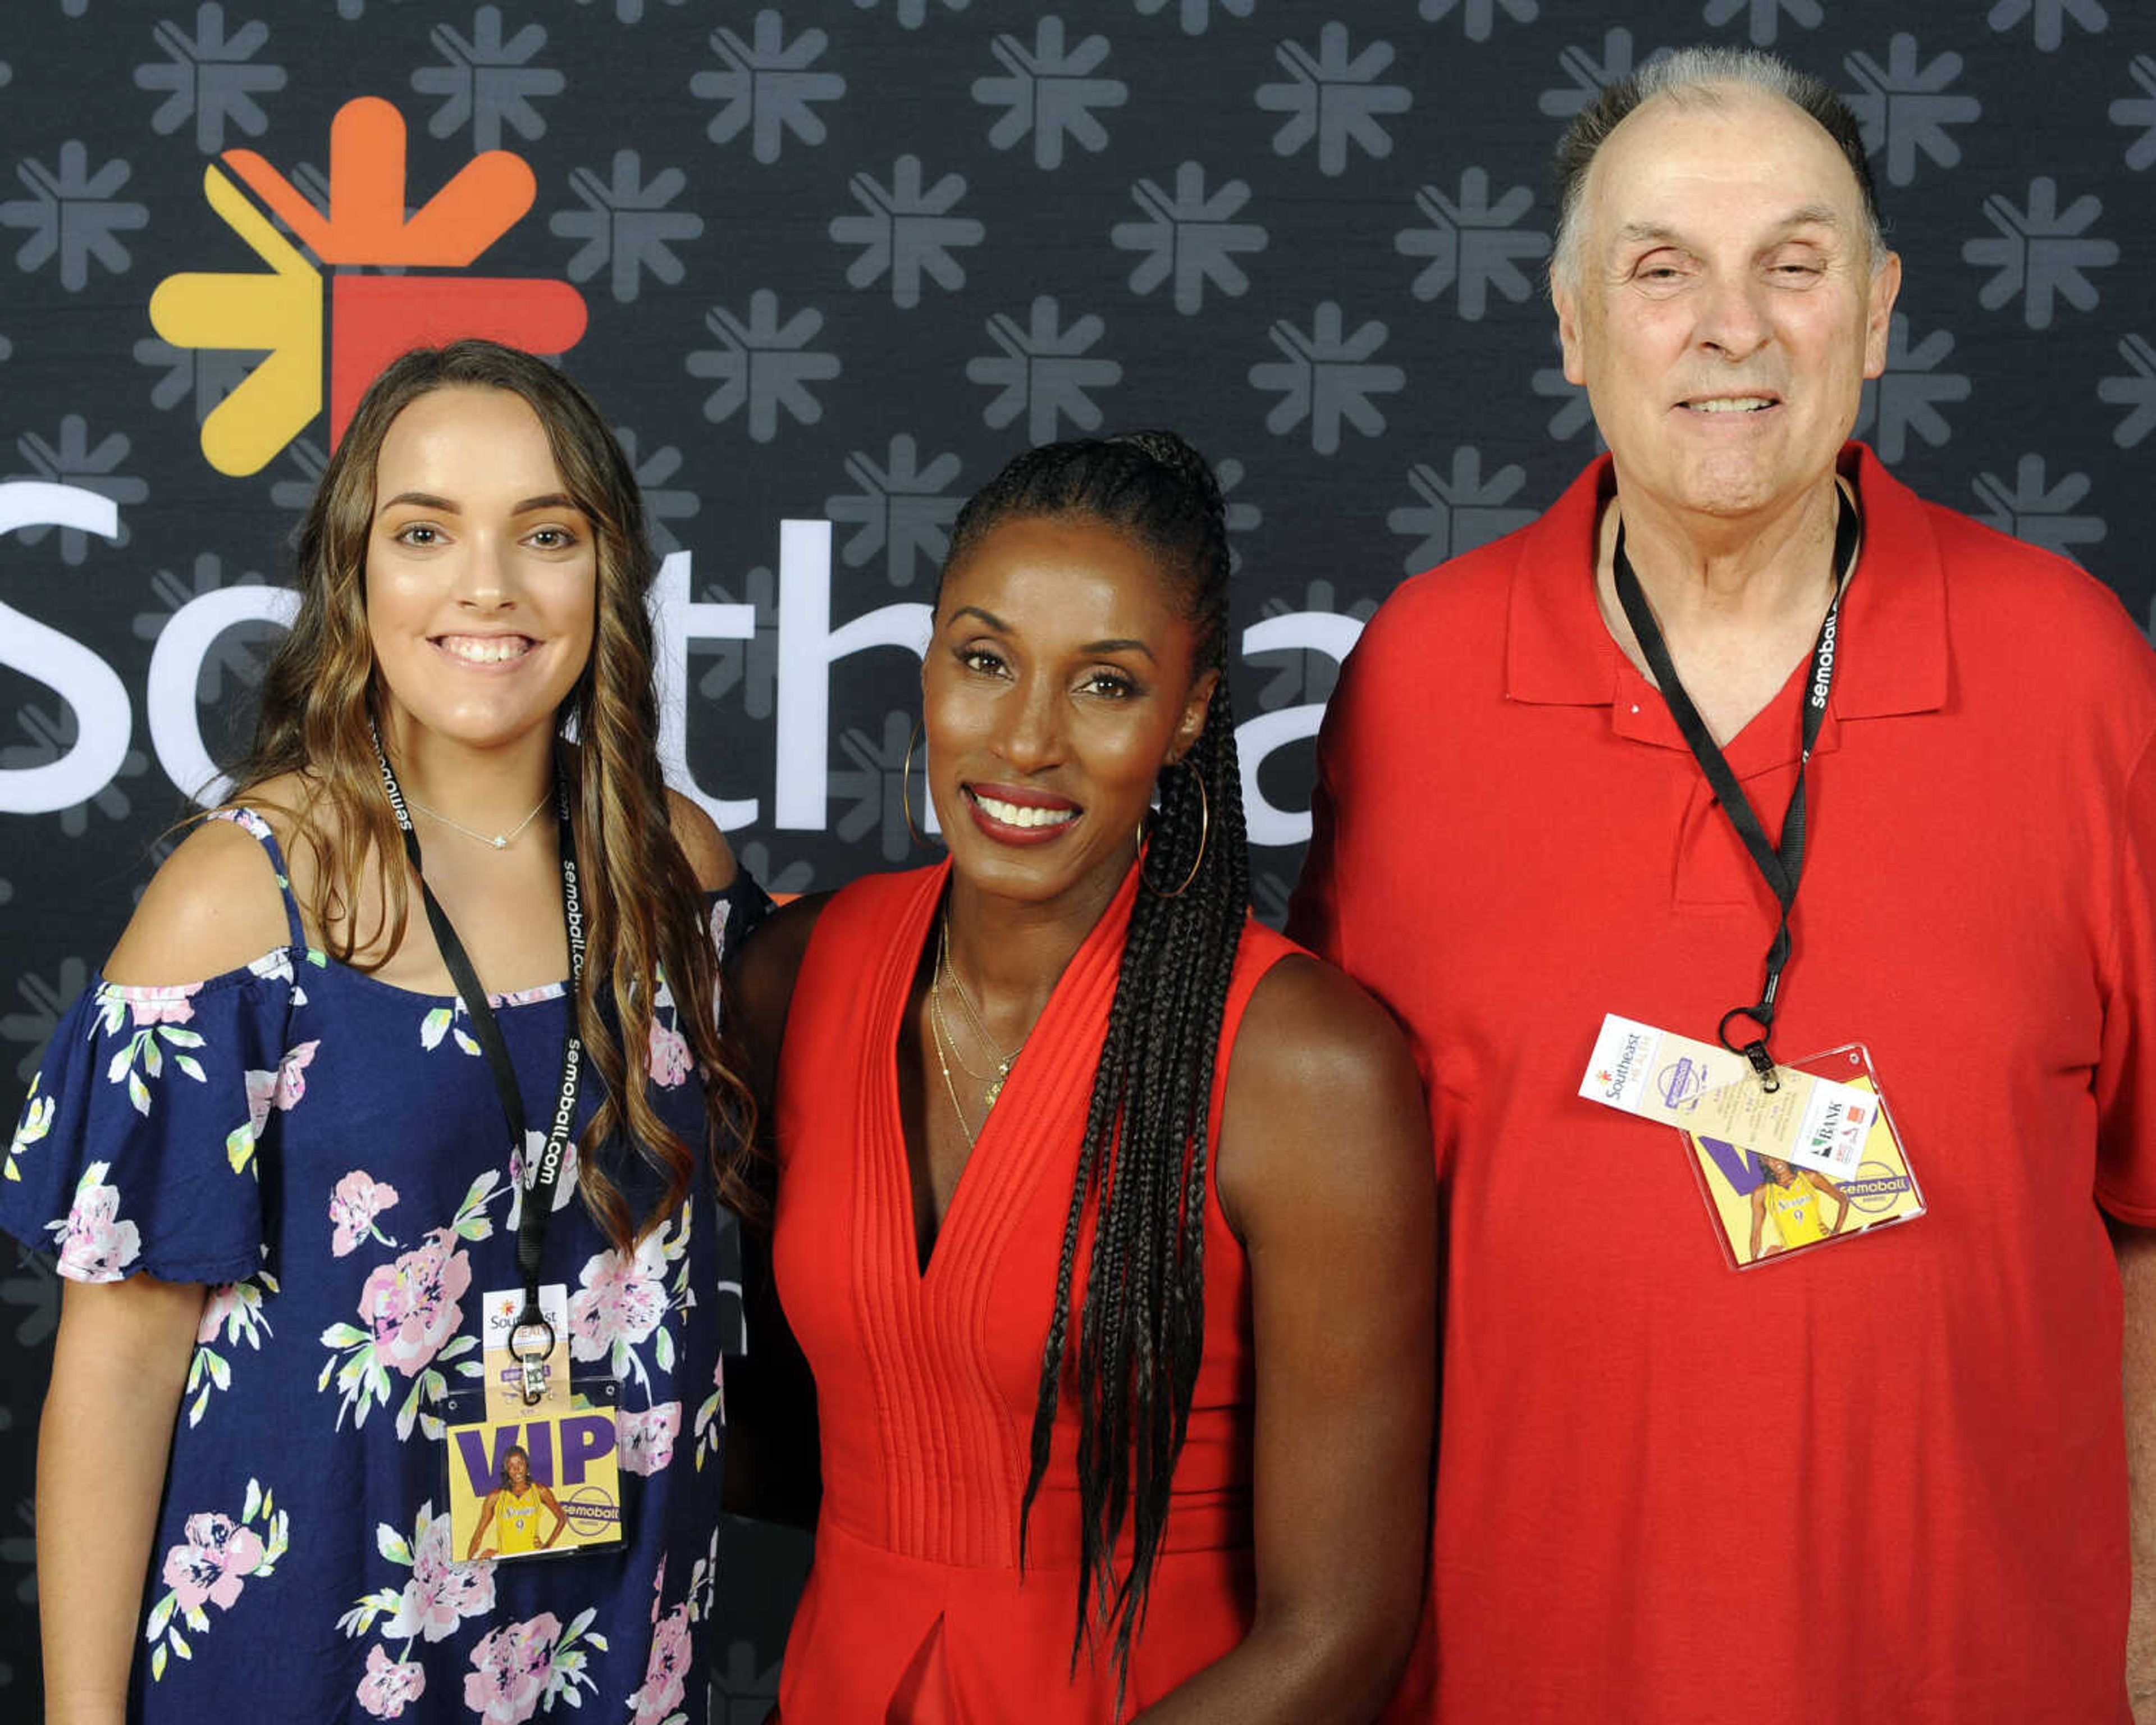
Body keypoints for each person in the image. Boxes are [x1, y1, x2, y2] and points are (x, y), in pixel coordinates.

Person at [1290, 45, 2156, 1725]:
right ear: (1568, 324)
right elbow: (1328, 1235)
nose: (1730, 327)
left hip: (1973, 1679)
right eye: (1661, 269)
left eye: (1792, 262)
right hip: (1514, 1683)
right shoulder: (1417, 677)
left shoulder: (2070, 669)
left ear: (1879, 307)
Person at [7, 339, 768, 1724]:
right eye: (425, 531)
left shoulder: (677, 867)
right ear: (355, 573)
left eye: (546, 532)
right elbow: (114, 1370)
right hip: (303, 1657)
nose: (488, 585)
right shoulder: (240, 901)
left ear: (606, 573)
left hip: (606, 1643)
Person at [728, 432, 1436, 1721]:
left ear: (1187, 711)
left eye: (1105, 685)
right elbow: (768, 1433)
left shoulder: (1301, 1067)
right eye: (983, 660)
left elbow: (1342, 1627)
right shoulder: (799, 972)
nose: (1024, 738)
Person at [465, 1447, 564, 1559]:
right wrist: (470, 1564)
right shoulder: (496, 1497)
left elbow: (562, 1518)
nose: (517, 1469)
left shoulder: (540, 1491)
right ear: (506, 1470)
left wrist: (548, 1546)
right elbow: (478, 1534)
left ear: (526, 1465)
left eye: (520, 1464)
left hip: (533, 1557)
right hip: (506, 1561)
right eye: (511, 1466)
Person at [1748, 1155, 1847, 1259]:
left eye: (1776, 1156)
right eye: (1769, 1160)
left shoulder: (1810, 1177)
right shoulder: (1762, 1192)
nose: (1775, 1162)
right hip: (1794, 1256)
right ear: (1765, 1164)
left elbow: (1843, 1200)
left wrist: (1836, 1232)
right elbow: (1756, 1235)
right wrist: (1756, 1268)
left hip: (1823, 1247)